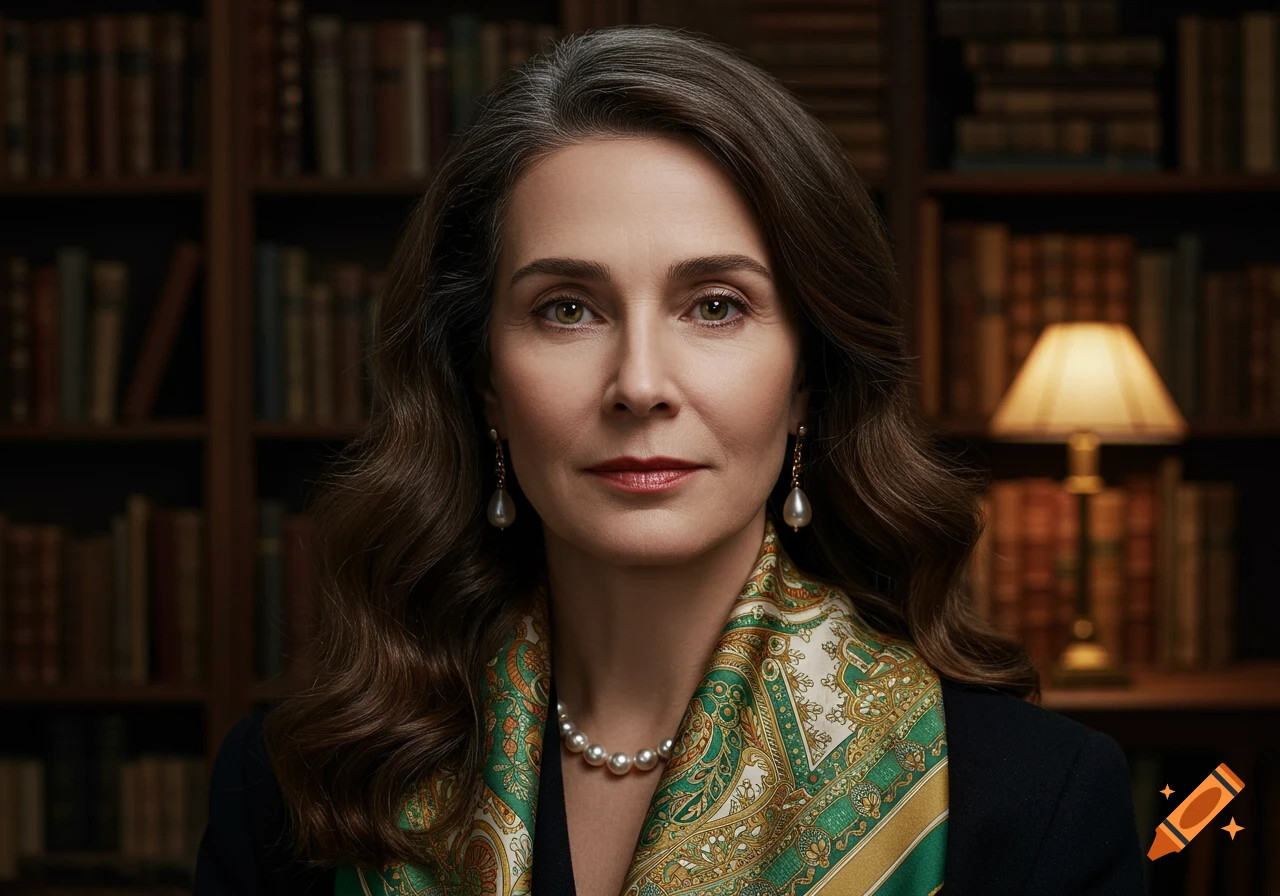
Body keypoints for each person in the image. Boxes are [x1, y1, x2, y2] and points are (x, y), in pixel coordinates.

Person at [195, 24, 1147, 896]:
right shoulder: (291, 791)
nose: (640, 384)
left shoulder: (1036, 802)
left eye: (716, 306)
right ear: (484, 380)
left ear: (807, 375)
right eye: (567, 308)